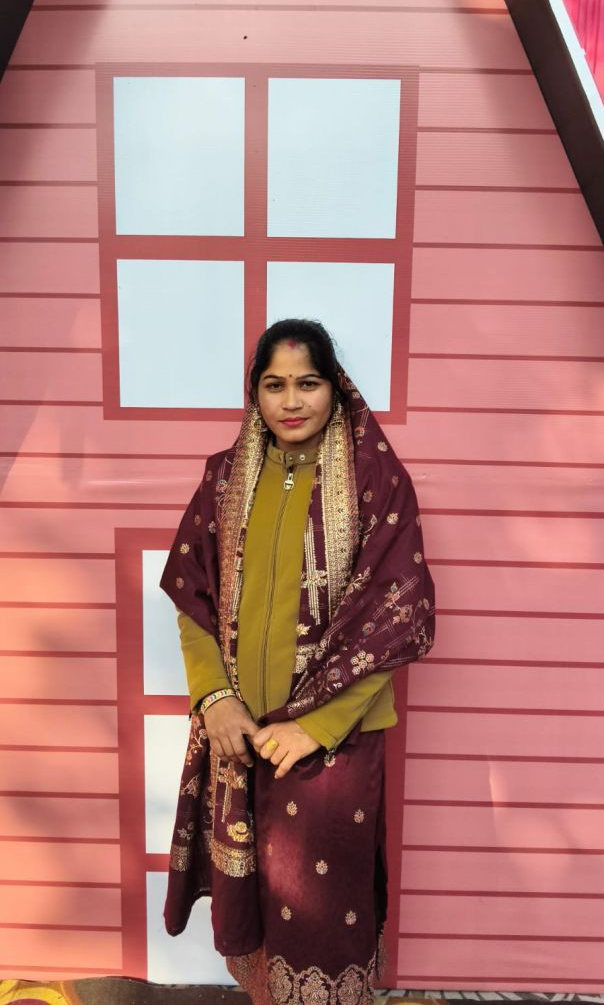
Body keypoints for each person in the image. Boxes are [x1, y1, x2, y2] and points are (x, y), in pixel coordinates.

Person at [160, 318, 436, 1004]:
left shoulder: (376, 481)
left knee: (324, 917)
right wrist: (214, 700)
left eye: (307, 383)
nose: (291, 401)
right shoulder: (224, 478)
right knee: (253, 904)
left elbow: (395, 618)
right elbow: (193, 597)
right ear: (254, 393)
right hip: (240, 739)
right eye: (274, 384)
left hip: (332, 748)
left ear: (334, 388)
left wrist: (317, 727)